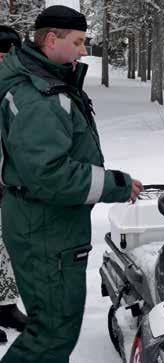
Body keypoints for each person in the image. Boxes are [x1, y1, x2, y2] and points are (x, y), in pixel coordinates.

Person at [0, 6, 143, 362]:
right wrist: (117, 185)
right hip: (46, 229)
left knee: (52, 328)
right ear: (52, 39)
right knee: (51, 333)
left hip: (49, 225)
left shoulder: (49, 83)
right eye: (78, 42)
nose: (83, 51)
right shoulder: (37, 97)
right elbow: (50, 174)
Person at [0, 24, 27, 344]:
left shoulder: (19, 87)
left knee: (9, 249)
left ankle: (5, 305)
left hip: (13, 183)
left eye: (9, 53)